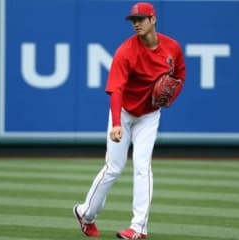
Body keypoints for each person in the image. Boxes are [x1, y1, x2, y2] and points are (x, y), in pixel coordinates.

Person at [73, 2, 186, 239]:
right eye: (133, 20)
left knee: (143, 167)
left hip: (150, 114)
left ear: (153, 20)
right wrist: (115, 123)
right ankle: (86, 214)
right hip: (123, 113)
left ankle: (138, 228)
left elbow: (179, 75)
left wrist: (169, 98)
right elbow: (116, 90)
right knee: (113, 168)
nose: (136, 24)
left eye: (141, 19)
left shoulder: (171, 47)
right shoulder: (125, 51)